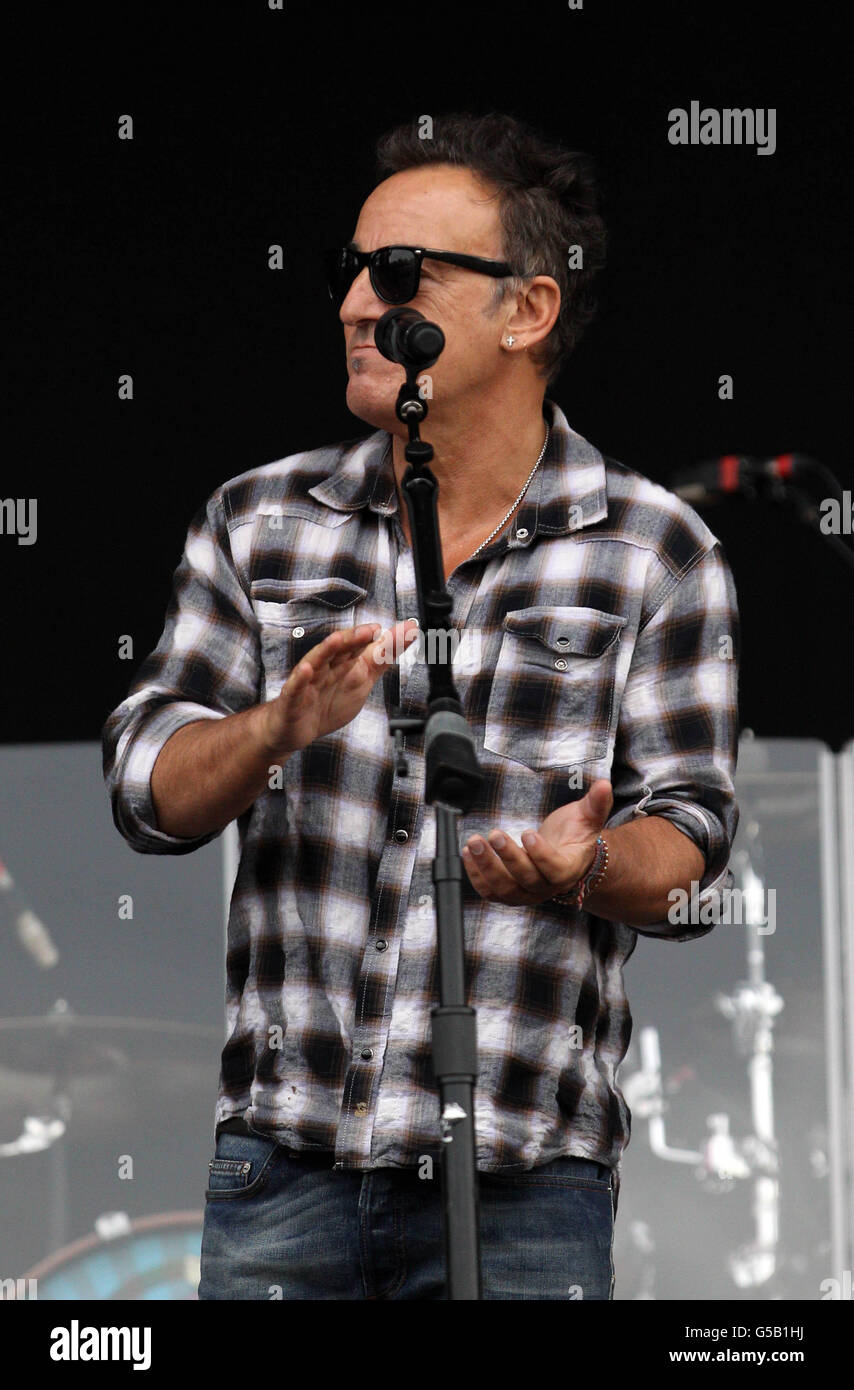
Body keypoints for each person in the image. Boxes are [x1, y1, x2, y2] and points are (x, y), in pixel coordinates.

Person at [102, 111, 739, 1300]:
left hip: (522, 1191)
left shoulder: (656, 549)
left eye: (397, 272)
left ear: (527, 310)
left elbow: (694, 860)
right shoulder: (258, 522)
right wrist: (274, 728)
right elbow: (146, 788)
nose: (350, 300)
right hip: (278, 1173)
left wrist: (583, 864)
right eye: (350, 266)